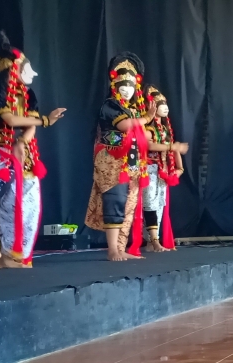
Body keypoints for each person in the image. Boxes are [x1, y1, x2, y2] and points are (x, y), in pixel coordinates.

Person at [0, 31, 65, 271]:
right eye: (28, 69)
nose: (33, 74)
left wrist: (22, 142)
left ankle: (15, 256)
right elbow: (11, 120)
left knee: (28, 207)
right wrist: (45, 121)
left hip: (24, 157)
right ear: (14, 69)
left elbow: (27, 128)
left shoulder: (29, 95)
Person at [85, 52, 156, 262]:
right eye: (123, 84)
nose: (127, 89)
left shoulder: (134, 109)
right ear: (114, 85)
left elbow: (146, 133)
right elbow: (125, 126)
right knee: (115, 200)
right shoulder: (110, 105)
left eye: (131, 85)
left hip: (132, 162)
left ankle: (121, 247)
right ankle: (112, 249)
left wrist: (145, 123)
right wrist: (146, 119)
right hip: (111, 160)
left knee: (130, 204)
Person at [142, 85, 188, 252]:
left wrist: (180, 168)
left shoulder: (166, 129)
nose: (165, 107)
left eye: (165, 103)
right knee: (150, 204)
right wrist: (172, 147)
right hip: (149, 168)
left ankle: (152, 241)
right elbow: (149, 145)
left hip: (163, 171)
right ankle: (154, 240)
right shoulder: (147, 128)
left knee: (160, 204)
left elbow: (174, 148)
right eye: (160, 103)